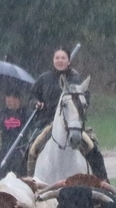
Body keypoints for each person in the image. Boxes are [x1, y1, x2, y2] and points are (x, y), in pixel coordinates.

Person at [27, 47, 108, 181]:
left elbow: (85, 96)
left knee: (92, 148)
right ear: (53, 60)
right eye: (57, 58)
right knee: (31, 149)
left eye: (63, 58)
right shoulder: (44, 78)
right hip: (47, 123)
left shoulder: (75, 78)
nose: (60, 61)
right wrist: (36, 102)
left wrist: (82, 104)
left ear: (69, 61)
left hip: (73, 124)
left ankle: (103, 183)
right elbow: (32, 96)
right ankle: (29, 184)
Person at [0, 85, 30, 181]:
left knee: (19, 174)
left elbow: (29, 128)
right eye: (7, 101)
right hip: (6, 146)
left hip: (20, 147)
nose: (8, 103)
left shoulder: (25, 112)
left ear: (17, 99)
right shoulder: (4, 112)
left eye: (10, 101)